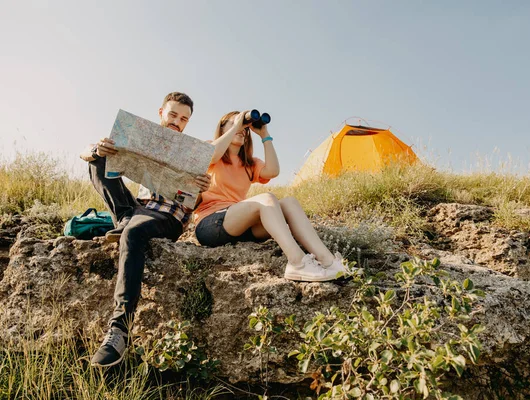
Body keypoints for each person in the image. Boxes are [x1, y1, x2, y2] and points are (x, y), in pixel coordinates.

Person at [80, 92, 211, 367]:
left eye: (184, 118)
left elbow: (194, 203)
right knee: (98, 160)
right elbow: (85, 155)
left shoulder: (192, 152)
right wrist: (97, 150)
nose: (177, 122)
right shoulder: (142, 138)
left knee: (133, 232)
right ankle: (126, 219)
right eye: (173, 115)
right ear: (161, 112)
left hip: (167, 216)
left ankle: (119, 330)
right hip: (136, 207)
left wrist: (202, 188)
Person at [193, 110, 348, 282]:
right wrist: (238, 124)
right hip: (211, 224)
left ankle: (329, 262)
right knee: (266, 198)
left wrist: (264, 135)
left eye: (245, 127)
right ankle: (297, 263)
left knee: (289, 202)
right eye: (233, 122)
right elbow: (212, 154)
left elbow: (273, 171)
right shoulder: (212, 150)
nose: (242, 129)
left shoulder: (249, 163)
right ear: (222, 129)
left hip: (241, 227)